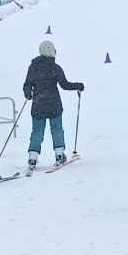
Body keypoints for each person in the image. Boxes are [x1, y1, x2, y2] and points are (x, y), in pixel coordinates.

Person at [22, 39, 84, 170]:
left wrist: (28, 93)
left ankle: (32, 157)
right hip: (53, 104)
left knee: (37, 131)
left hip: (38, 104)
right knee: (56, 129)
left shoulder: (33, 67)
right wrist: (78, 86)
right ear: (52, 52)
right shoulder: (55, 68)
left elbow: (27, 83)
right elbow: (64, 85)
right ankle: (59, 154)